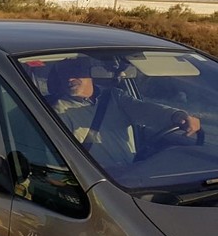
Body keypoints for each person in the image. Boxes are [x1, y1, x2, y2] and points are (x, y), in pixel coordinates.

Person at [47, 57, 200, 167]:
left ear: (91, 74)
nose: (69, 79)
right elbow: (58, 157)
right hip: (96, 181)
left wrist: (178, 116)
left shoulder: (114, 97)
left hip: (130, 174)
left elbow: (146, 110)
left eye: (75, 72)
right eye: (64, 74)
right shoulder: (58, 111)